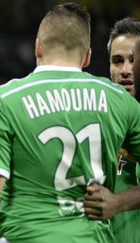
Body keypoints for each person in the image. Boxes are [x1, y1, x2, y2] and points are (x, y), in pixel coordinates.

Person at [0, 3, 140, 243]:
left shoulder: (4, 99)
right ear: (87, 56)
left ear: (37, 47)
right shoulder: (120, 101)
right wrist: (117, 202)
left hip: (24, 236)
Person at [82, 17, 140, 243]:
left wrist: (118, 202)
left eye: (134, 61)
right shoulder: (91, 119)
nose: (126, 70)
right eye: (118, 61)